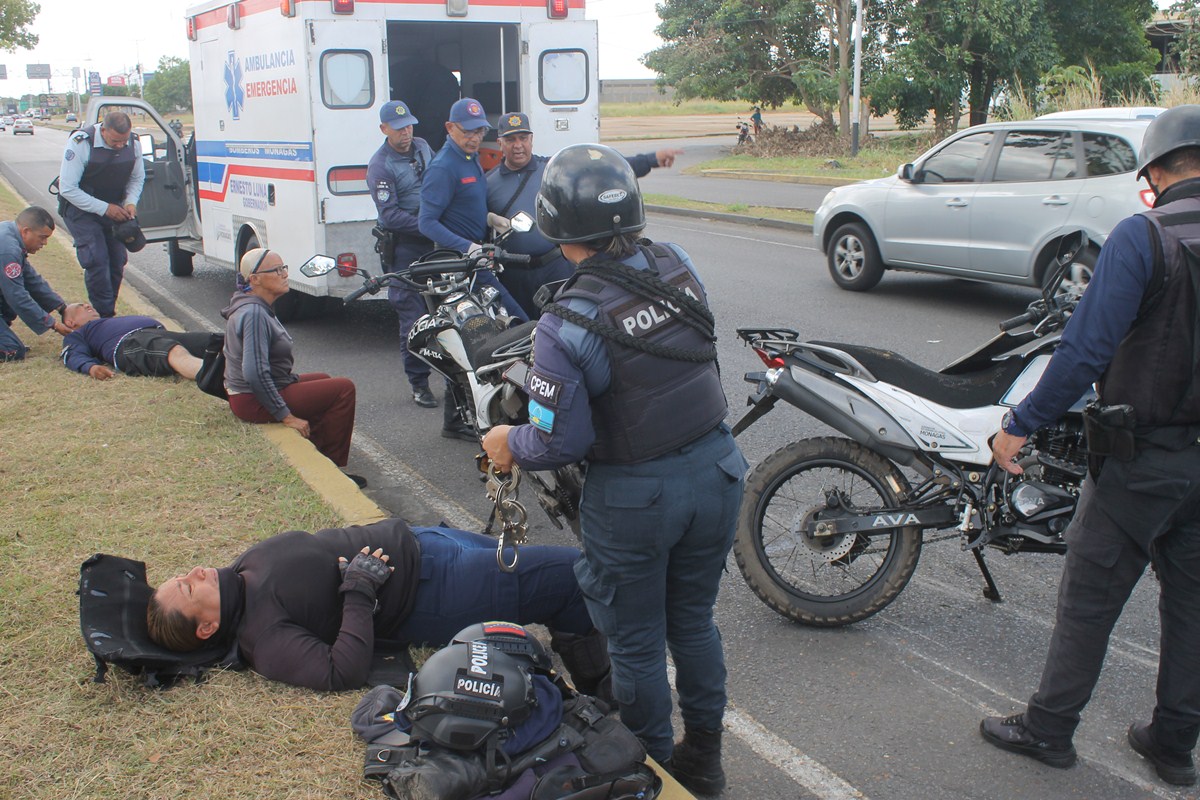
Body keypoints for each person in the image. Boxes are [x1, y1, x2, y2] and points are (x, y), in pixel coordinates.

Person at [481, 143, 748, 796]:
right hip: (717, 468)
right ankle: (705, 763)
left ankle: (649, 775)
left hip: (637, 497)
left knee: (633, 645)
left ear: (550, 222)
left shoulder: (564, 320)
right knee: (693, 622)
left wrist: (507, 440)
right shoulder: (674, 263)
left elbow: (557, 440)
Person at [979, 104, 1200, 788]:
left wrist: (1021, 421)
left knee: (1091, 594)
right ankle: (1171, 744)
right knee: (1193, 605)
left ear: (1157, 173)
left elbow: (1083, 350)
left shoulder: (1145, 238)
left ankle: (1049, 729)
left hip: (1142, 461)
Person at [145, 517, 612, 695]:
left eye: (182, 575)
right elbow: (337, 672)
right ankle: (601, 690)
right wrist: (358, 593)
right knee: (573, 576)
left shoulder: (240, 576)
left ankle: (588, 663)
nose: (194, 574)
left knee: (562, 580)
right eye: (187, 588)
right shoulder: (263, 640)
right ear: (207, 628)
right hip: (433, 592)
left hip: (425, 541)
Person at [485, 111, 683, 317]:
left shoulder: (552, 170)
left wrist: (651, 160)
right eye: (510, 139)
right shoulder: (488, 184)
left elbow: (606, 169)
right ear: (500, 143)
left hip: (556, 267)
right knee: (520, 329)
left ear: (531, 139)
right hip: (514, 275)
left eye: (523, 138)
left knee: (565, 319)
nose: (518, 145)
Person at [418, 97, 527, 440]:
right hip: (455, 267)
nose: (475, 137)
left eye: (480, 131)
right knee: (473, 341)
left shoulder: (470, 160)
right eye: (467, 131)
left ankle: (476, 414)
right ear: (450, 128)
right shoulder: (443, 166)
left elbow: (465, 207)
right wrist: (467, 246)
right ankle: (460, 419)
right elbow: (427, 222)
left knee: (497, 330)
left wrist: (490, 220)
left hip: (476, 263)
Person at [222, 248, 360, 477]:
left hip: (259, 391)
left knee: (324, 379)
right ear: (254, 280)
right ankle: (330, 469)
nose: (284, 274)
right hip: (250, 399)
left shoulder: (255, 306)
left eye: (283, 268)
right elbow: (254, 373)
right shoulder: (254, 313)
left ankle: (315, 449)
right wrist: (286, 415)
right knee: (343, 389)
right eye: (276, 270)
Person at [366, 99, 439, 409]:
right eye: (398, 128)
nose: (406, 132)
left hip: (436, 238)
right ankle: (419, 384)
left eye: (408, 125)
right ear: (384, 129)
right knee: (412, 317)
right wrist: (430, 226)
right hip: (407, 245)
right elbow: (391, 216)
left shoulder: (422, 146)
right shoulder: (380, 165)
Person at [56, 110, 145, 318]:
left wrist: (131, 202)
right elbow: (68, 188)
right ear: (103, 130)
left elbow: (136, 178)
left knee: (117, 260)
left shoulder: (133, 144)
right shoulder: (80, 143)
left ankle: (106, 312)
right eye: (115, 141)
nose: (120, 146)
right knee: (96, 258)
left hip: (113, 208)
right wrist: (105, 208)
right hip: (80, 208)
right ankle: (103, 318)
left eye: (123, 141)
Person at [59, 302, 218, 383]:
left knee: (214, 340)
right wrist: (90, 367)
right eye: (81, 306)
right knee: (172, 352)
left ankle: (239, 366)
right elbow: (72, 354)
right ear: (70, 322)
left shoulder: (106, 322)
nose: (87, 305)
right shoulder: (78, 334)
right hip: (129, 343)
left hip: (160, 333)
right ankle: (222, 379)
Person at [0, 206, 70, 361]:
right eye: (42, 237)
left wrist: (61, 307)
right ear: (26, 231)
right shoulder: (8, 249)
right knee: (12, 351)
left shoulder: (9, 232)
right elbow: (16, 295)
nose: (44, 243)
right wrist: (53, 324)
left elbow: (31, 279)